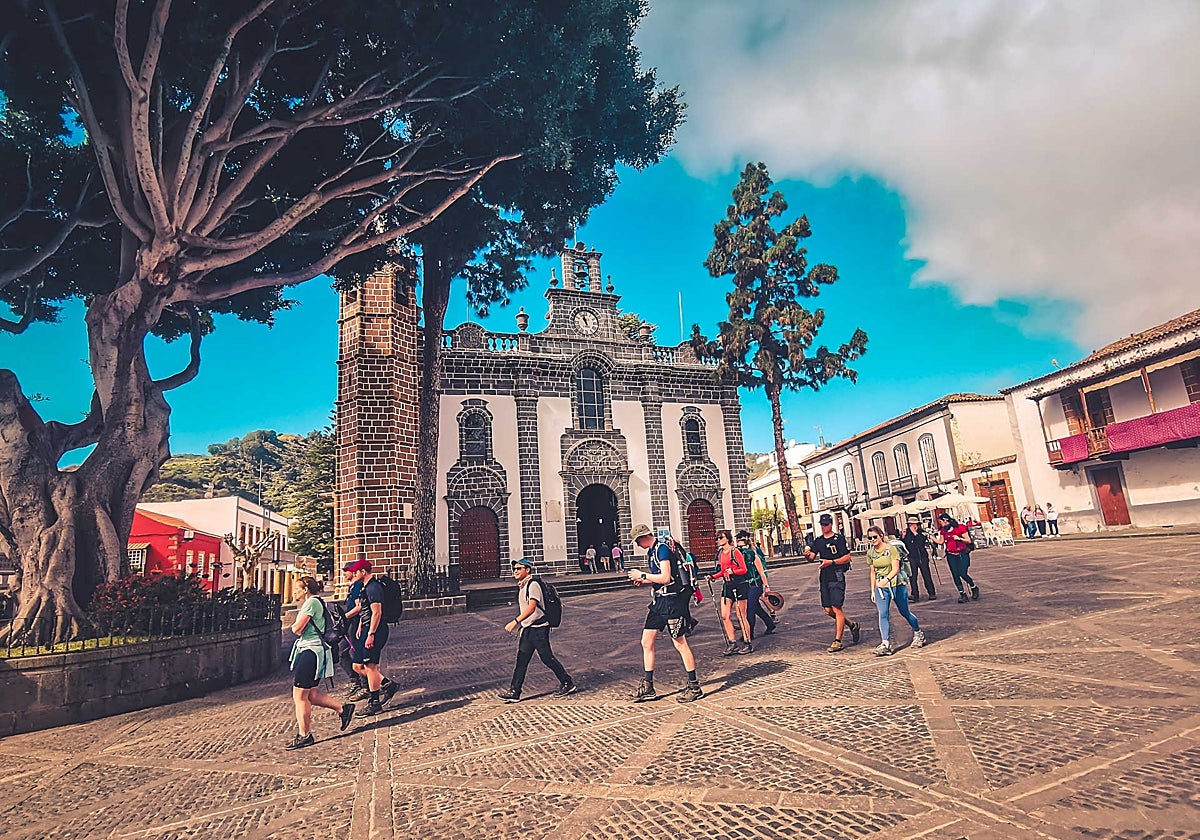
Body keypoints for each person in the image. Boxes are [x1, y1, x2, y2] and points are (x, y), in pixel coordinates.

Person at [626, 523, 703, 703]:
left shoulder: (661, 549)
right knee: (646, 641)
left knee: (680, 642)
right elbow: (659, 580)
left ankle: (694, 686)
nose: (637, 545)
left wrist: (643, 575)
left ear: (643, 537)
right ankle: (648, 686)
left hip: (672, 602)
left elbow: (666, 577)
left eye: (637, 541)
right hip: (659, 601)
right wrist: (643, 582)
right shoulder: (651, 551)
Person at [285, 576, 355, 750]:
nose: (295, 591)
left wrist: (296, 626)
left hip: (311, 652)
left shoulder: (310, 604)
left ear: (306, 589)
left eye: (298, 588)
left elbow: (296, 628)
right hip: (316, 652)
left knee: (300, 696)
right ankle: (343, 709)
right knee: (311, 695)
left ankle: (304, 735)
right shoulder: (318, 602)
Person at [497, 558, 576, 702]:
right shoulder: (522, 586)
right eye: (514, 569)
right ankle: (515, 691)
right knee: (522, 660)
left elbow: (532, 607)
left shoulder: (533, 585)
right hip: (529, 629)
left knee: (547, 658)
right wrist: (523, 626)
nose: (515, 571)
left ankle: (567, 682)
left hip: (539, 629)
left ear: (527, 570)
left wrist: (515, 622)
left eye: (519, 568)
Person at [344, 559, 398, 717]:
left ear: (363, 572)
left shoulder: (373, 588)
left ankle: (374, 702)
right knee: (357, 665)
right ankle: (387, 684)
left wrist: (371, 634)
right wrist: (361, 624)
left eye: (356, 571)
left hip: (376, 630)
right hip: (367, 627)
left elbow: (377, 612)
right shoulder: (364, 587)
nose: (353, 574)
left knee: (370, 666)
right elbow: (365, 609)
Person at [803, 513, 862, 653]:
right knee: (828, 610)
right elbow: (812, 557)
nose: (824, 527)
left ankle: (838, 640)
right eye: (822, 525)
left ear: (831, 524)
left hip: (837, 576)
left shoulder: (839, 539)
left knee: (837, 608)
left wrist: (832, 562)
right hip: (824, 577)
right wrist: (807, 555)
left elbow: (847, 558)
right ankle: (852, 625)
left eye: (826, 524)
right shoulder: (819, 541)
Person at [865, 527, 926, 656]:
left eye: (874, 537)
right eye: (870, 538)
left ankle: (918, 632)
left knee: (904, 611)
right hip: (881, 587)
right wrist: (872, 590)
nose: (872, 540)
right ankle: (885, 643)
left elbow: (896, 568)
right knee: (883, 614)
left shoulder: (890, 549)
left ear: (881, 536)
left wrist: (886, 579)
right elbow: (872, 572)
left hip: (896, 584)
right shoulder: (870, 553)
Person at [707, 529, 753, 656]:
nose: (718, 540)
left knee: (740, 616)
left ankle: (747, 642)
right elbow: (723, 571)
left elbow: (743, 569)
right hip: (727, 586)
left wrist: (733, 571)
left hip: (739, 585)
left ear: (727, 538)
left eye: (720, 538)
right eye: (716, 538)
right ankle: (732, 643)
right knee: (725, 616)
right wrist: (713, 577)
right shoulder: (721, 553)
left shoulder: (735, 551)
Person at [736, 530, 777, 639]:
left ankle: (750, 632)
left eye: (742, 547)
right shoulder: (739, 557)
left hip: (755, 583)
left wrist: (766, 586)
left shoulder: (754, 555)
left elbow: (761, 572)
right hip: (746, 585)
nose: (740, 550)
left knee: (750, 608)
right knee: (756, 608)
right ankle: (770, 624)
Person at [933, 513, 980, 603]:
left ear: (946, 521)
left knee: (962, 573)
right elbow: (941, 542)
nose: (940, 524)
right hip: (951, 554)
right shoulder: (943, 531)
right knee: (955, 574)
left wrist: (959, 538)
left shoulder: (960, 528)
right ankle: (962, 594)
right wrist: (931, 537)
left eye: (941, 522)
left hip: (962, 553)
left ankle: (973, 587)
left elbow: (968, 540)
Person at [900, 517, 937, 601]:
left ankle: (931, 593)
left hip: (922, 556)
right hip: (912, 557)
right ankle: (914, 594)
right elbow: (903, 544)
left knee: (926, 575)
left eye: (913, 524)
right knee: (912, 576)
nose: (912, 526)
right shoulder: (907, 533)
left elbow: (921, 541)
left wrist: (915, 533)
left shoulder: (921, 532)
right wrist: (903, 536)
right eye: (910, 525)